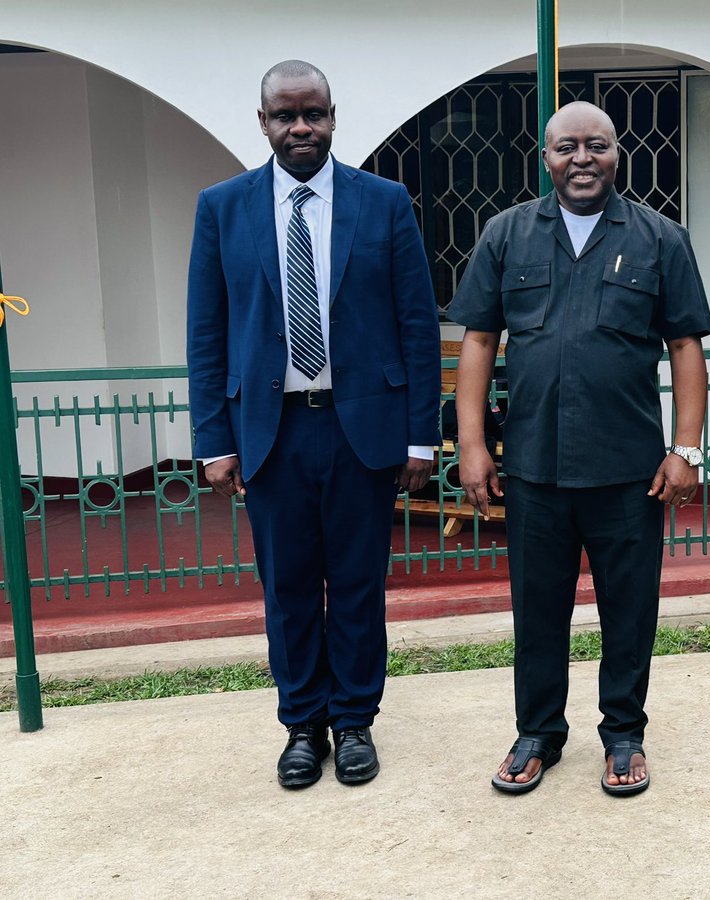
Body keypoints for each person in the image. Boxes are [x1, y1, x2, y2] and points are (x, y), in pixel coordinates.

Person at [186, 60, 441, 789]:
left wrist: (420, 436)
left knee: (359, 584)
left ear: (335, 116)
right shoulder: (222, 207)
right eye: (285, 115)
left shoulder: (385, 203)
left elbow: (417, 326)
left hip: (363, 429)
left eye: (314, 113)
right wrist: (215, 438)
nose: (302, 127)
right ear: (261, 122)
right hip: (270, 431)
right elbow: (207, 330)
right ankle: (303, 726)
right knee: (289, 586)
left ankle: (355, 721)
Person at [448, 101, 710, 797]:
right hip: (532, 469)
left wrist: (686, 448)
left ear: (617, 154)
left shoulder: (661, 239)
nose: (583, 158)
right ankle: (537, 732)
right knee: (538, 612)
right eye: (568, 147)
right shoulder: (506, 235)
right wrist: (472, 446)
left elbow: (686, 345)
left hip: (629, 472)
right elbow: (478, 339)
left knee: (630, 611)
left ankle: (624, 734)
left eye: (597, 145)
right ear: (546, 157)